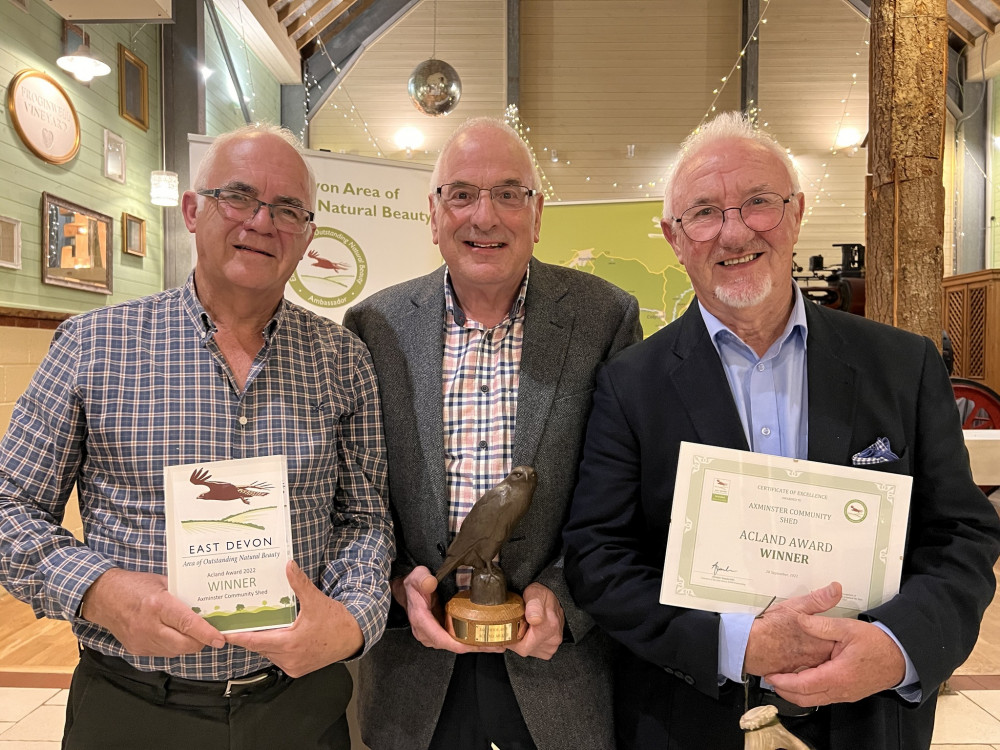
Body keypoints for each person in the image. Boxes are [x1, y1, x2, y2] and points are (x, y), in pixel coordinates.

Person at [563, 111, 1000, 750]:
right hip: (690, 721)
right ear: (673, 238)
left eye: (758, 203)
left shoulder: (904, 366)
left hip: (868, 720)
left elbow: (960, 535)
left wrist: (896, 646)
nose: (734, 231)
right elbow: (599, 556)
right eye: (704, 212)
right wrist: (736, 645)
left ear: (796, 214)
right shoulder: (631, 384)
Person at [0, 124, 393, 749]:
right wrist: (98, 592)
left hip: (298, 705)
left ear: (308, 234)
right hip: (131, 708)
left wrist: (351, 622)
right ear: (192, 210)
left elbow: (366, 521)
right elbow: (8, 506)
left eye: (288, 208)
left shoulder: (343, 361)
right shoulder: (93, 345)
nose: (263, 222)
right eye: (238, 196)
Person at [344, 116, 641, 750]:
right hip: (413, 672)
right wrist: (400, 584)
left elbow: (622, 491)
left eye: (509, 193)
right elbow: (358, 493)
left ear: (538, 214)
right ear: (433, 213)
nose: (485, 216)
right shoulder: (375, 324)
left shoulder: (604, 317)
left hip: (557, 671)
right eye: (462, 194)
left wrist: (562, 599)